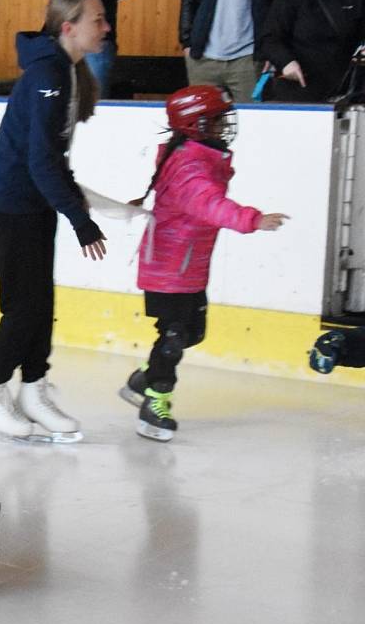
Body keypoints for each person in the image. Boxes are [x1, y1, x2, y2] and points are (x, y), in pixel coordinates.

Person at [119, 85, 288, 442]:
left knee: (193, 332)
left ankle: (143, 380)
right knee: (175, 336)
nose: (223, 127)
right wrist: (253, 220)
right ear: (195, 125)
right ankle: (155, 402)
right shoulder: (190, 165)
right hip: (169, 266)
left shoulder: (198, 156)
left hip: (187, 265)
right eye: (215, 121)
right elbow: (208, 204)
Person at [0, 0, 109, 444]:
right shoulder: (47, 74)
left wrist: (75, 200)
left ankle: (34, 388)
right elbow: (38, 161)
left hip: (35, 202)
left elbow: (53, 157)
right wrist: (80, 218)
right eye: (98, 19)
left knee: (42, 303)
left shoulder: (67, 71)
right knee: (24, 305)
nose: (106, 27)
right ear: (69, 26)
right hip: (12, 202)